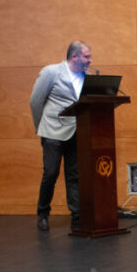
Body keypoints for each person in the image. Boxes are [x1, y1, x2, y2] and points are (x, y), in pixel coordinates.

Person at [30, 40, 93, 231]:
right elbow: (35, 101)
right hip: (52, 132)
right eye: (86, 57)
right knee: (50, 173)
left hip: (76, 132)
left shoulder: (88, 77)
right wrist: (40, 127)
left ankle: (77, 216)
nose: (90, 61)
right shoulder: (51, 72)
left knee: (74, 175)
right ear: (74, 56)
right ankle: (42, 213)